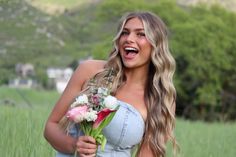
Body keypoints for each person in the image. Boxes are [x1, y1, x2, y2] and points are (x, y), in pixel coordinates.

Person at [44, 11, 178, 157]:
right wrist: (74, 145)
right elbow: (51, 127)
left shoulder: (160, 99)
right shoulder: (89, 70)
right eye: (125, 33)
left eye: (140, 34)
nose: (129, 39)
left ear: (156, 45)